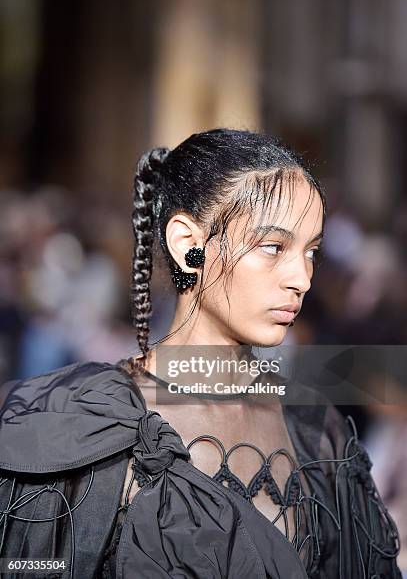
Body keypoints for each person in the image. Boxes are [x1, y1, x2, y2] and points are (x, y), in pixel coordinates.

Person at [0, 129, 401, 578]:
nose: (302, 279)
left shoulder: (315, 429)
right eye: (274, 247)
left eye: (311, 252)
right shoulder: (79, 422)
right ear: (188, 244)